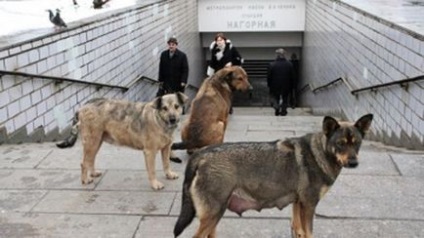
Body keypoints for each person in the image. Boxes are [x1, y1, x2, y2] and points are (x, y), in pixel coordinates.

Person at [207, 33, 243, 114]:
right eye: (217, 40)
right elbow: (212, 63)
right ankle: (221, 107)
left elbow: (239, 59)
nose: (219, 42)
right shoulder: (214, 50)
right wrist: (210, 74)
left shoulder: (230, 48)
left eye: (221, 40)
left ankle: (229, 107)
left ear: (224, 40)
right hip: (219, 74)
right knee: (219, 91)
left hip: (229, 74)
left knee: (229, 91)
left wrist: (231, 63)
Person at [267, 48, 295, 116]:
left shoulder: (272, 65)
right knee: (285, 98)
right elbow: (293, 76)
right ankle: (283, 110)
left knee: (276, 97)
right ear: (284, 55)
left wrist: (269, 84)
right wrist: (293, 86)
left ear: (277, 55)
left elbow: (269, 76)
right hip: (286, 85)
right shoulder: (289, 65)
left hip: (275, 85)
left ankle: (277, 107)